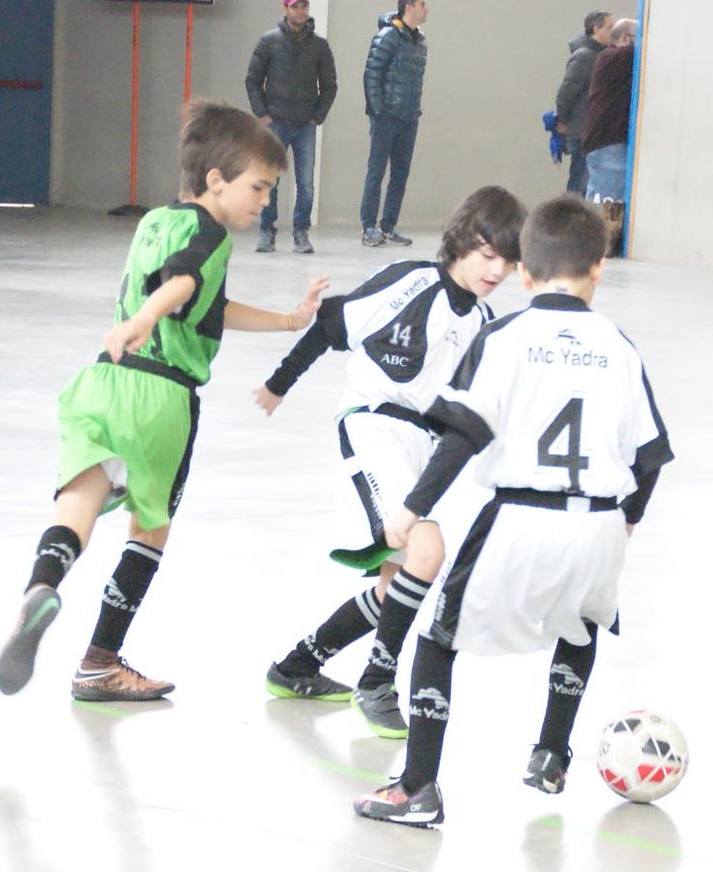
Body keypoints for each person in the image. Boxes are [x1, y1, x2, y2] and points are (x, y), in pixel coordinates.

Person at [353, 194, 674, 827]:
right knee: (582, 626)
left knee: (438, 641)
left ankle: (417, 787)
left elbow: (463, 434)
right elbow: (651, 455)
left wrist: (413, 507)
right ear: (598, 268)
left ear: (525, 273)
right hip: (599, 523)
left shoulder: (505, 336)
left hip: (520, 518)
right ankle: (552, 752)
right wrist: (629, 518)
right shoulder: (619, 346)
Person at [0, 100, 326, 702]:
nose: (263, 201)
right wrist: (148, 317)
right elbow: (184, 283)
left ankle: (40, 587)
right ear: (216, 180)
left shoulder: (154, 221)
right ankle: (100, 661)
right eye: (258, 187)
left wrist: (286, 320)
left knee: (78, 502)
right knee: (150, 529)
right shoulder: (210, 233)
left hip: (105, 380)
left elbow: (205, 306)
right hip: (162, 397)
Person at [254, 186, 527, 739]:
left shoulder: (483, 321)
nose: (497, 270)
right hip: (374, 426)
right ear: (461, 242)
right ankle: (377, 682)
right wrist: (279, 383)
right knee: (426, 551)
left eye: (508, 259)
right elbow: (332, 324)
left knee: (396, 584)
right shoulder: (411, 282)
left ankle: (297, 665)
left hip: (421, 446)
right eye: (487, 254)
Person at [245, 0, 337, 255]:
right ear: (285, 9)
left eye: (304, 6)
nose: (301, 11)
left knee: (305, 183)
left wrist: (318, 116)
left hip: (305, 125)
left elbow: (329, 85)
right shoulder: (268, 42)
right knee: (269, 180)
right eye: (296, 6)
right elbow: (253, 80)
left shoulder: (319, 45)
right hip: (275, 123)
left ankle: (301, 232)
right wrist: (262, 113)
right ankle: (266, 231)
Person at [359, 0, 428, 248]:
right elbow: (371, 74)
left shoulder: (420, 41)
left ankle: (388, 226)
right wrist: (378, 111)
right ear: (408, 7)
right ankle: (368, 227)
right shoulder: (387, 36)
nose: (426, 9)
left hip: (409, 118)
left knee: (400, 173)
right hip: (386, 117)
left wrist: (414, 111)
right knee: (376, 171)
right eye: (422, 4)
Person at [554, 11, 612, 196]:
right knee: (579, 183)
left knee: (584, 183)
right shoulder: (585, 56)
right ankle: (571, 213)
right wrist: (562, 120)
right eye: (609, 27)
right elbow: (566, 92)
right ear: (596, 29)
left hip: (589, 130)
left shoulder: (598, 55)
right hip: (582, 131)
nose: (613, 32)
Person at [580, 18, 637, 204]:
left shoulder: (610, 59)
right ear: (625, 39)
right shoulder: (613, 57)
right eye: (637, 37)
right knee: (611, 205)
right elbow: (646, 50)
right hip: (608, 143)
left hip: (601, 142)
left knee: (596, 204)